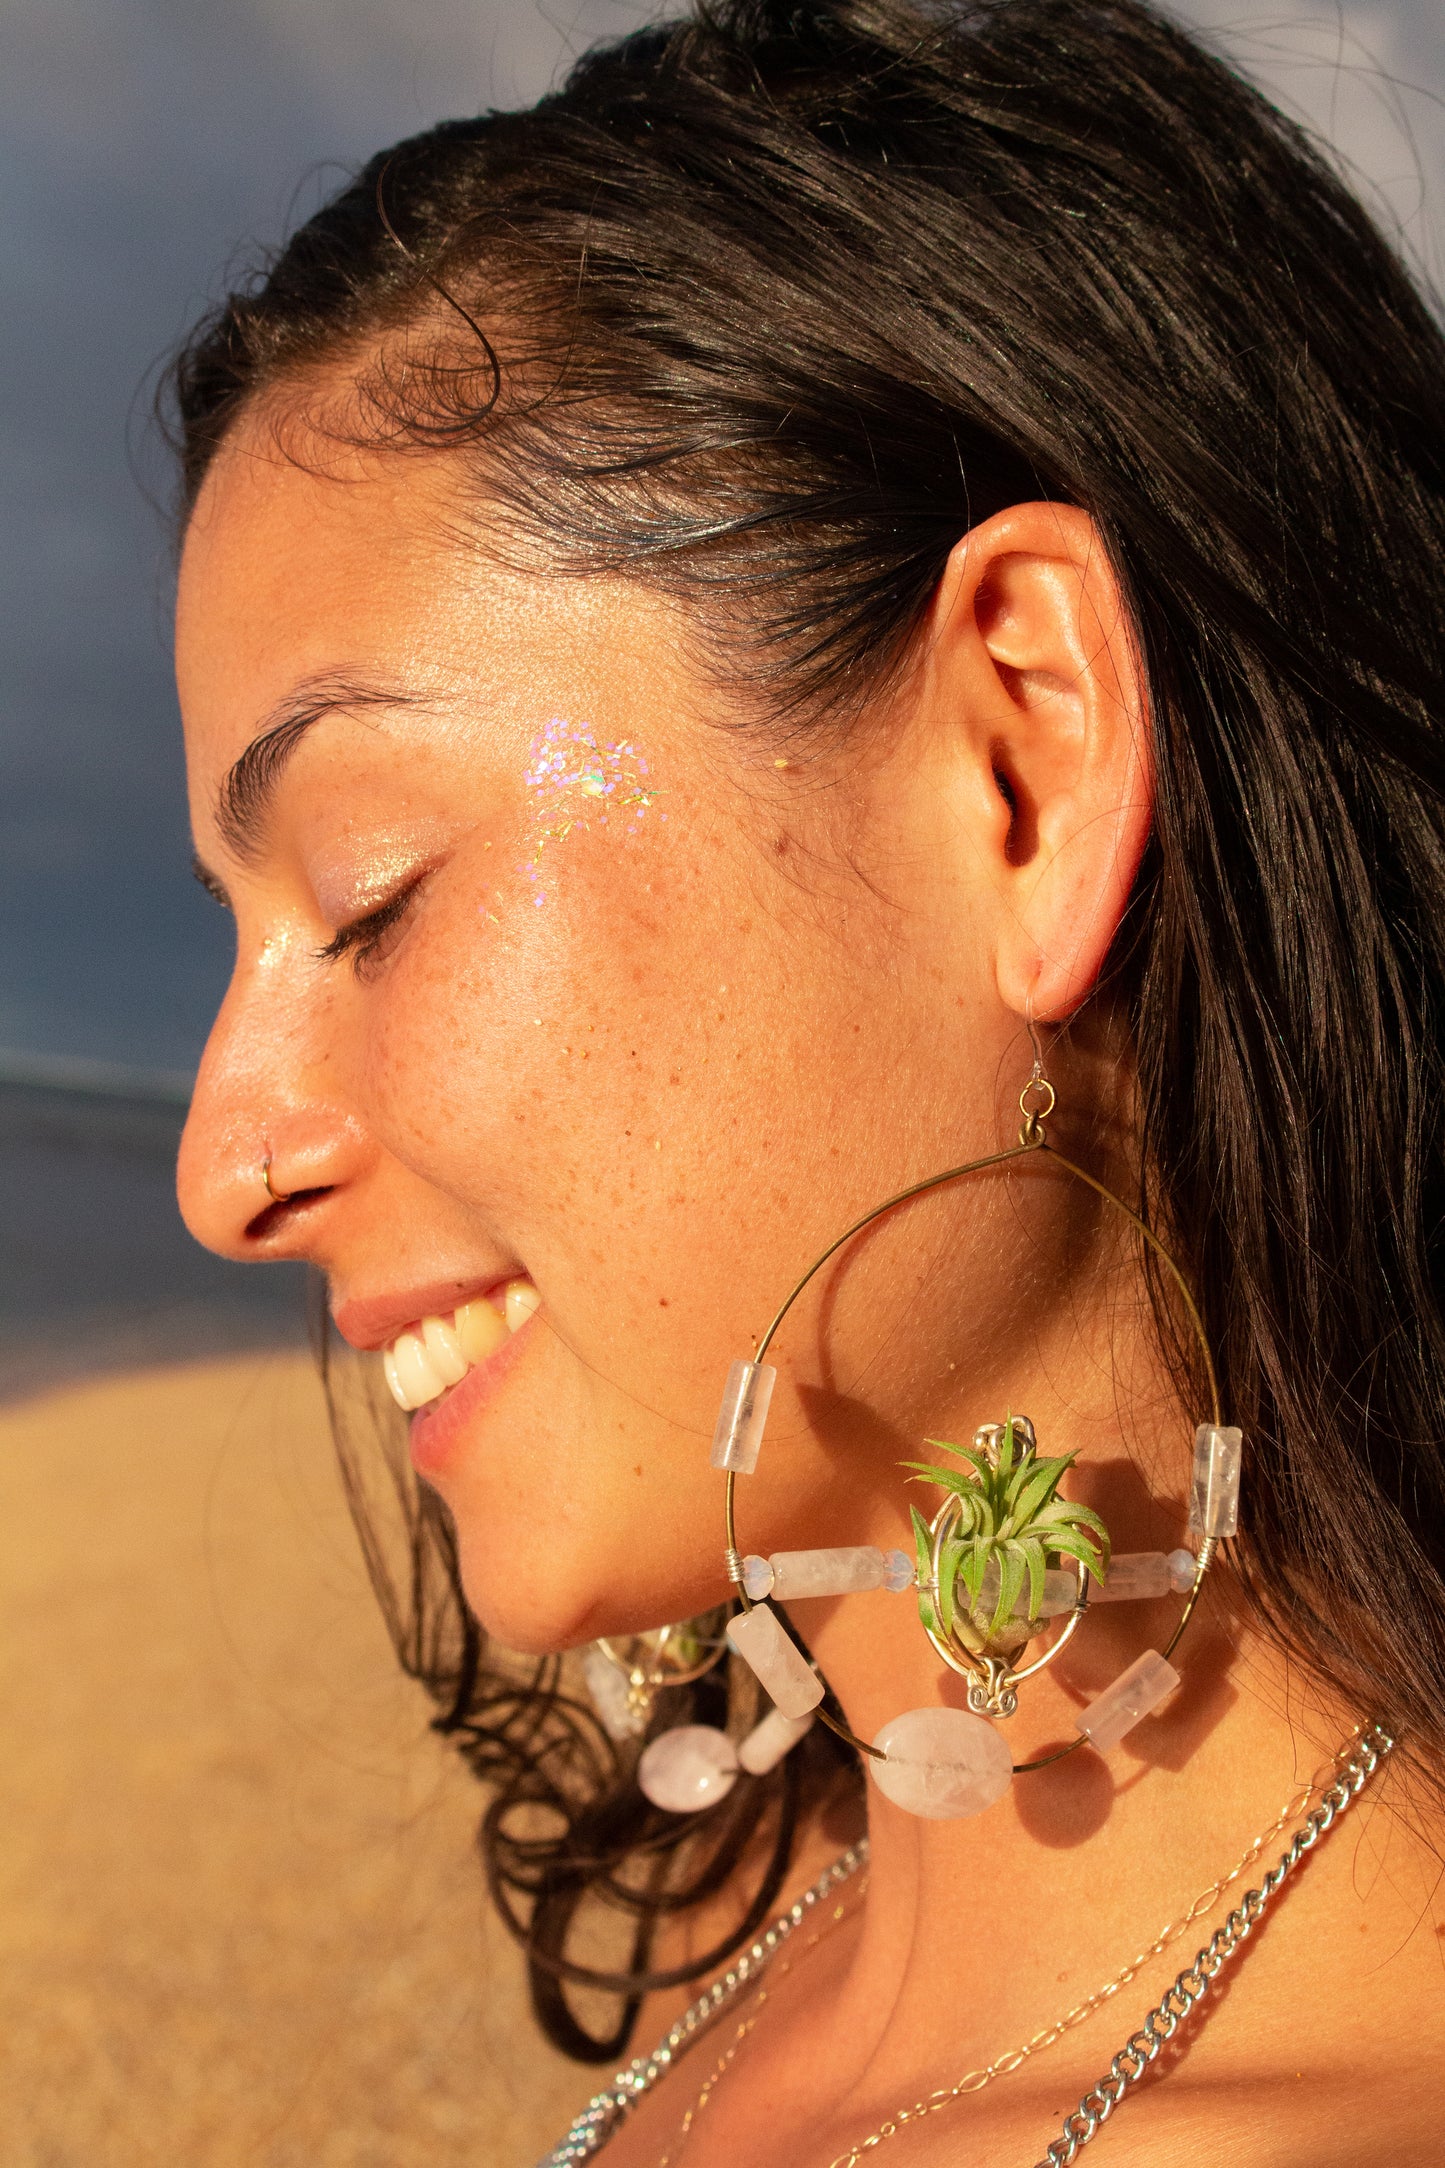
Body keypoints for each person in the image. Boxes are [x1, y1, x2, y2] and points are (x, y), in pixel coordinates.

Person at [167, 1, 1445, 2159]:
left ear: (1020, 769)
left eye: (371, 895)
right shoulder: (762, 1915)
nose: (224, 1161)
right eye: (239, 942)